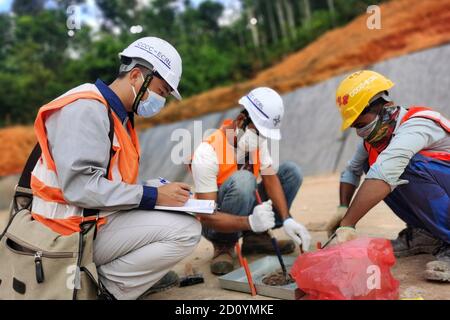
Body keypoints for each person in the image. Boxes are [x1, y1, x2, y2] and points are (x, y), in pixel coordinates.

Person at [328, 70, 450, 282]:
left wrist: (348, 223)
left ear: (384, 107)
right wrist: (342, 208)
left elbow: (386, 171)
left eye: (360, 123)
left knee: (399, 166)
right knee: (371, 162)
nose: (359, 132)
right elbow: (352, 170)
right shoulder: (375, 139)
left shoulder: (417, 124)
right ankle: (427, 233)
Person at [191, 87, 311, 275]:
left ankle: (256, 238)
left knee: (291, 173)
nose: (261, 140)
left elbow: (270, 179)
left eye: (264, 135)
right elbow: (206, 216)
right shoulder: (207, 153)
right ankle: (224, 246)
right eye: (259, 133)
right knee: (245, 180)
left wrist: (287, 218)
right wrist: (250, 222)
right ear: (240, 121)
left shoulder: (255, 142)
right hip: (215, 224)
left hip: (245, 214)